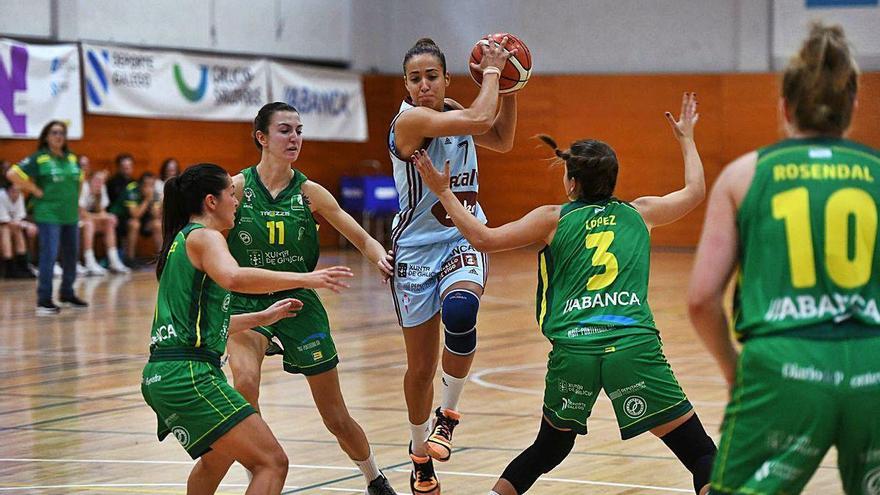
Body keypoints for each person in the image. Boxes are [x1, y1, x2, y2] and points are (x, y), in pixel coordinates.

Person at [413, 92, 716, 495]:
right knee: (700, 454)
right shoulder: (640, 213)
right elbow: (695, 191)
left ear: (572, 183)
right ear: (613, 180)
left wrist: (443, 191)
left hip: (574, 351)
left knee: (548, 448)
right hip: (633, 348)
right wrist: (686, 139)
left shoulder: (552, 219)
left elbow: (482, 239)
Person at [688, 22, 879, 495]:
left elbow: (701, 300)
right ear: (853, 106)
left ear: (785, 107)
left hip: (781, 367)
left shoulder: (743, 175)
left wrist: (734, 370)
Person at [142, 162, 355, 494]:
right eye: (230, 193)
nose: (237, 200)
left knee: (215, 461)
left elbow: (209, 324)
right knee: (272, 463)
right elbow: (236, 277)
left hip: (164, 373)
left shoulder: (181, 242)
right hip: (189, 375)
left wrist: (263, 317)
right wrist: (306, 278)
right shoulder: (206, 238)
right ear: (212, 202)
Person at [223, 102, 398, 494]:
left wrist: (379, 257)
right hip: (248, 303)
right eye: (285, 130)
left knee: (334, 414)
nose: (295, 138)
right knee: (245, 383)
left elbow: (359, 234)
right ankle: (260, 473)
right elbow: (201, 235)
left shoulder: (308, 191)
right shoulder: (235, 189)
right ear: (262, 137)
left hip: (300, 303)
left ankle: (374, 476)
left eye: (299, 130)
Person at [388, 36, 517, 493]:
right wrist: (494, 75)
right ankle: (420, 451)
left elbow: (500, 136)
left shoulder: (459, 107)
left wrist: (509, 87)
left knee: (462, 310)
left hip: (463, 234)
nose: (424, 85)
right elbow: (482, 118)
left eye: (432, 76)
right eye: (415, 78)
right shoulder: (411, 121)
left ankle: (449, 414)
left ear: (445, 78)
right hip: (416, 251)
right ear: (406, 84)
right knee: (419, 369)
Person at [5, 121, 88, 315]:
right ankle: (44, 300)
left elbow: (79, 180)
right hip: (49, 214)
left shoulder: (71, 158)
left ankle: (67, 293)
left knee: (71, 255)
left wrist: (77, 204)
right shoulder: (39, 158)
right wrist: (33, 189)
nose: (59, 136)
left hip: (70, 214)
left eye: (62, 133)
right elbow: (12, 174)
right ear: (46, 136)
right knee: (49, 255)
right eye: (54, 132)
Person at [79, 170, 130, 274]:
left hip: (90, 221)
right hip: (77, 222)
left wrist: (98, 198)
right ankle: (89, 261)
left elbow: (101, 211)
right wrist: (105, 216)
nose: (100, 183)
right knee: (89, 224)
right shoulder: (83, 187)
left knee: (109, 223)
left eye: (102, 181)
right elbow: (82, 214)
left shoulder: (101, 189)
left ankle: (114, 261)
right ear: (90, 180)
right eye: (97, 180)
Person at [109, 172, 163, 264]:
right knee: (134, 224)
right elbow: (135, 215)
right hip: (120, 219)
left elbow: (156, 215)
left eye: (152, 185)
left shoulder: (155, 192)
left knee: (157, 224)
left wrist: (153, 201)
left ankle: (162, 258)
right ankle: (130, 259)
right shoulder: (132, 189)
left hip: (142, 220)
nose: (149, 188)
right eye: (147, 185)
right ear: (140, 184)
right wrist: (147, 200)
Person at [0, 180, 37, 279]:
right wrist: (27, 225)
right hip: (3, 225)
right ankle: (9, 268)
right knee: (5, 230)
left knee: (17, 230)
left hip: (10, 225)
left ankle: (23, 266)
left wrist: (25, 225)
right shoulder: (1, 196)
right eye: (13, 191)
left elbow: (18, 219)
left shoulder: (19, 196)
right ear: (7, 191)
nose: (16, 194)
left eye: (18, 191)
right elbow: (4, 221)